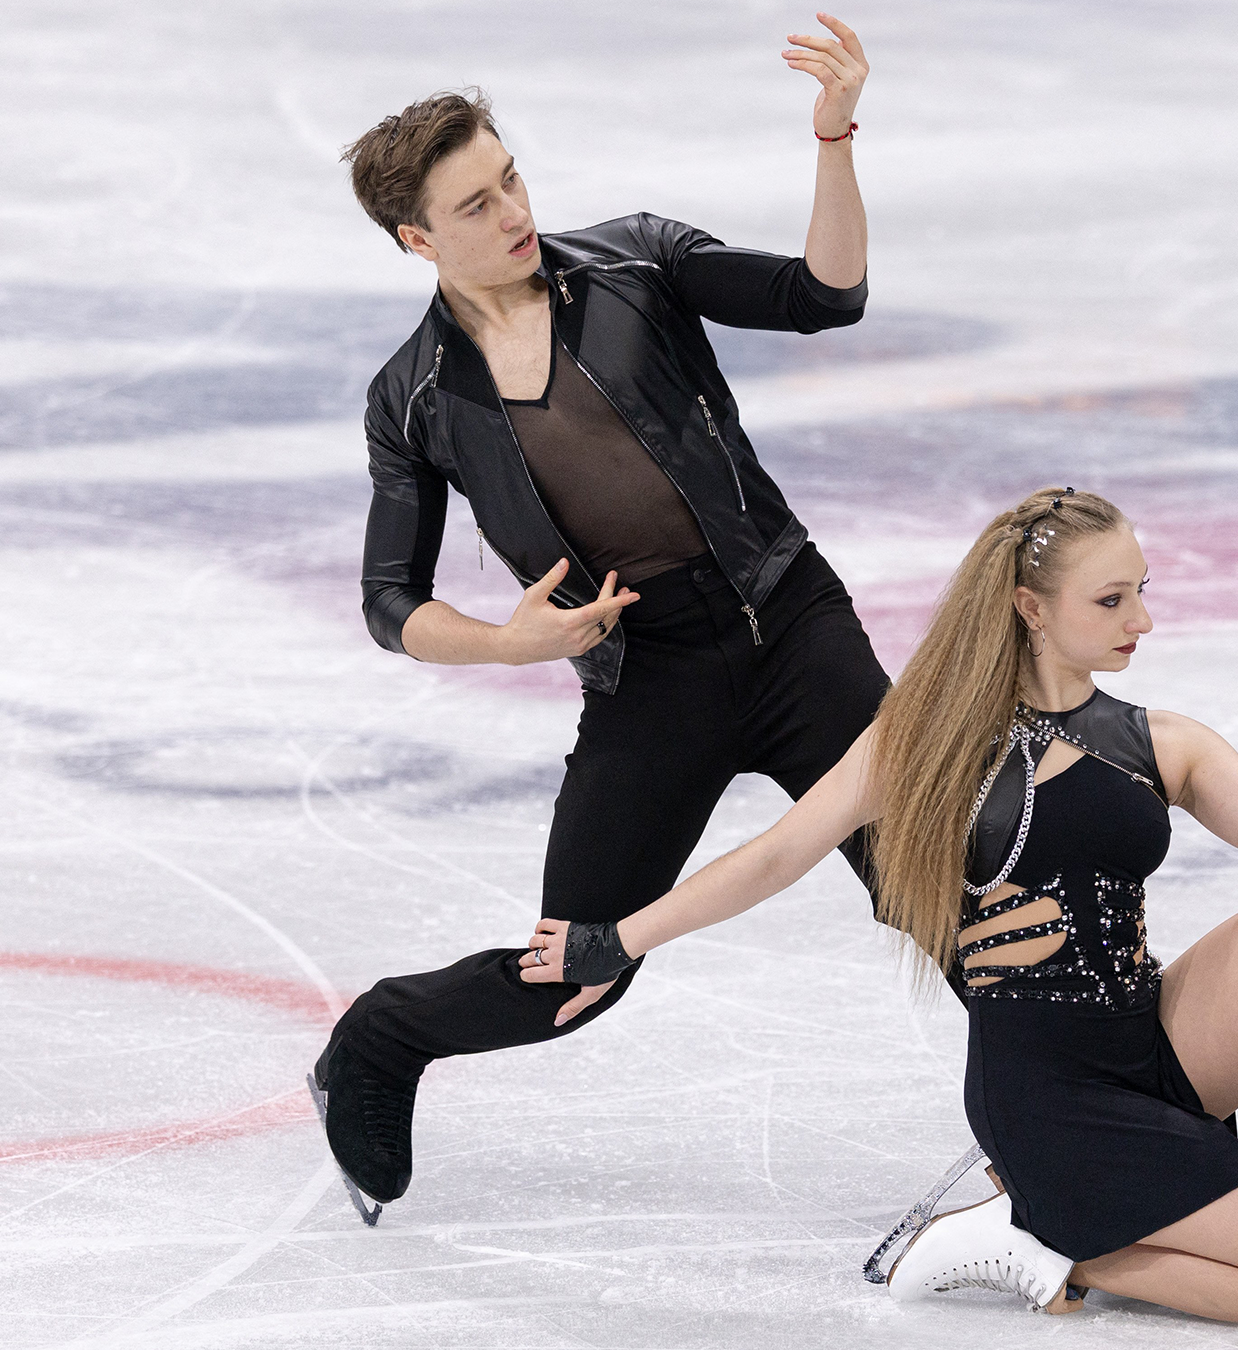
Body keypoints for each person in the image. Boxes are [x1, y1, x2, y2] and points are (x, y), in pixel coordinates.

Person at [521, 486, 1238, 1326]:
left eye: (1142, 590)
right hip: (1047, 1096)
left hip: (1149, 1045)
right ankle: (1040, 1237)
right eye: (1111, 599)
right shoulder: (930, 739)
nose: (1139, 620)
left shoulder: (1160, 740)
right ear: (1029, 606)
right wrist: (617, 939)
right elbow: (777, 856)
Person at [308, 16, 889, 1224]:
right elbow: (389, 603)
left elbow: (826, 295)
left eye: (510, 176)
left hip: (793, 626)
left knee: (937, 880)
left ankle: (1111, 1124)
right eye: (474, 206)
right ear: (417, 239)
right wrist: (507, 644)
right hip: (651, 682)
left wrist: (834, 133)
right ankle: (379, 1036)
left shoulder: (636, 263)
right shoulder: (411, 399)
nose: (513, 211)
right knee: (575, 975)